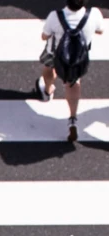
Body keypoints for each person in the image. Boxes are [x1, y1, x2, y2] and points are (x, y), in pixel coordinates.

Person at [34, 0, 104, 141]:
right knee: (73, 83)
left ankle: (47, 91)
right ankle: (72, 119)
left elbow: (44, 36)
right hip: (77, 58)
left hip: (54, 54)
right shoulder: (94, 14)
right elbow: (100, 31)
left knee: (49, 69)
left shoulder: (55, 16)